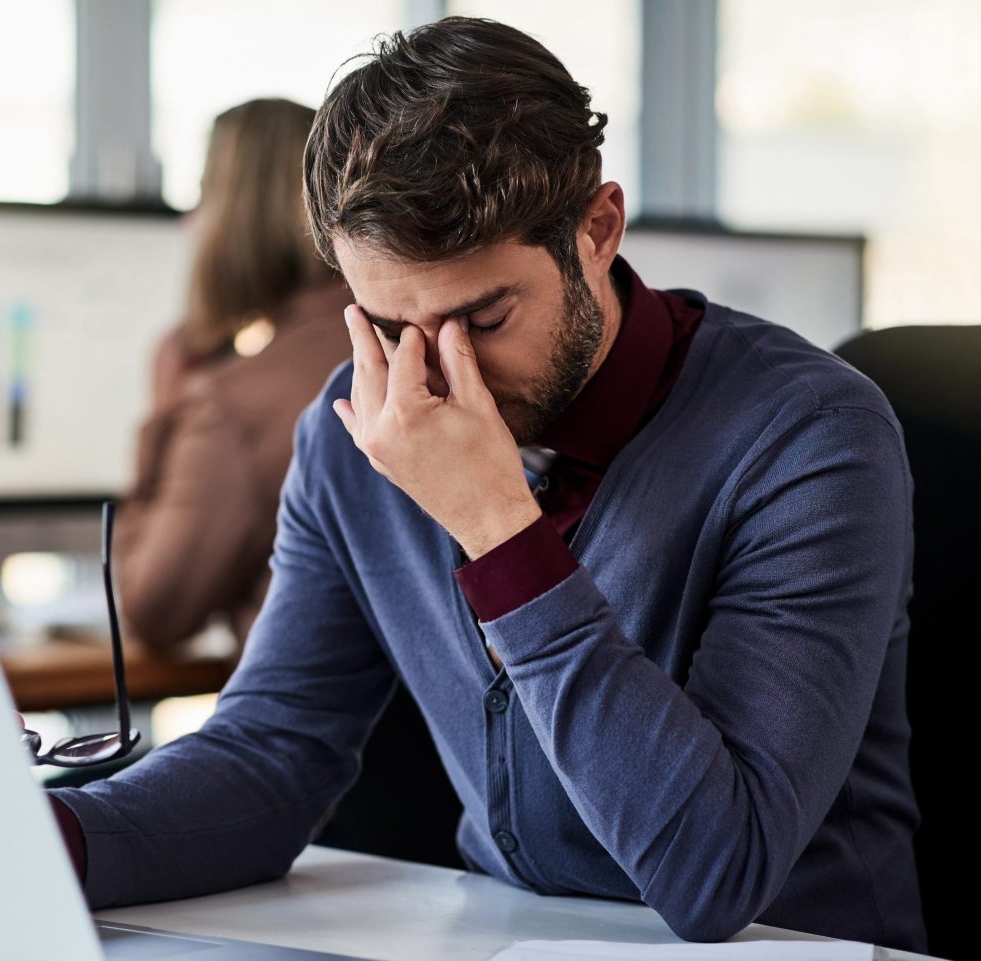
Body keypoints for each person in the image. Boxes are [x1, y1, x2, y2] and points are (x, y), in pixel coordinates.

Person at [49, 18, 926, 953]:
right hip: (505, 935)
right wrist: (38, 834)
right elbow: (272, 752)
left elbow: (717, 872)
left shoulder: (812, 435)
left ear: (597, 230)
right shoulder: (354, 423)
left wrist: (500, 531)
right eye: (391, 324)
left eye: (484, 316)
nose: (432, 378)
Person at [113, 98, 350, 651]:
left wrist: (168, 410)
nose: (191, 224)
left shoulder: (237, 400)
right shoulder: (404, 335)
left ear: (234, 215)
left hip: (318, 728)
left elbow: (154, 609)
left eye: (203, 196)